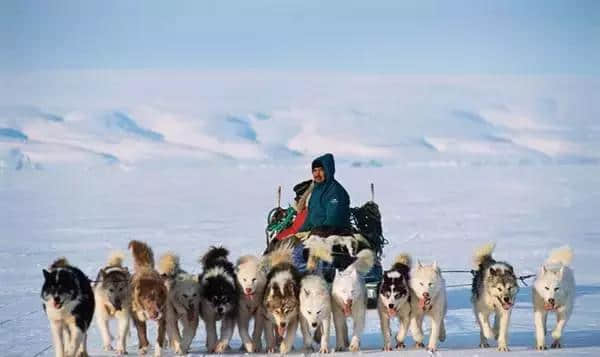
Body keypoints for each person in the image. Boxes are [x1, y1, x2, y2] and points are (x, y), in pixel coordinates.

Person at [299, 153, 351, 233]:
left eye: (321, 170)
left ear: (328, 170)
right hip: (316, 231)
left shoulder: (335, 191)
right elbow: (311, 216)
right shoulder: (316, 190)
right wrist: (301, 231)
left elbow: (333, 216)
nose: (317, 174)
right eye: (315, 171)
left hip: (334, 232)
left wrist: (320, 231)